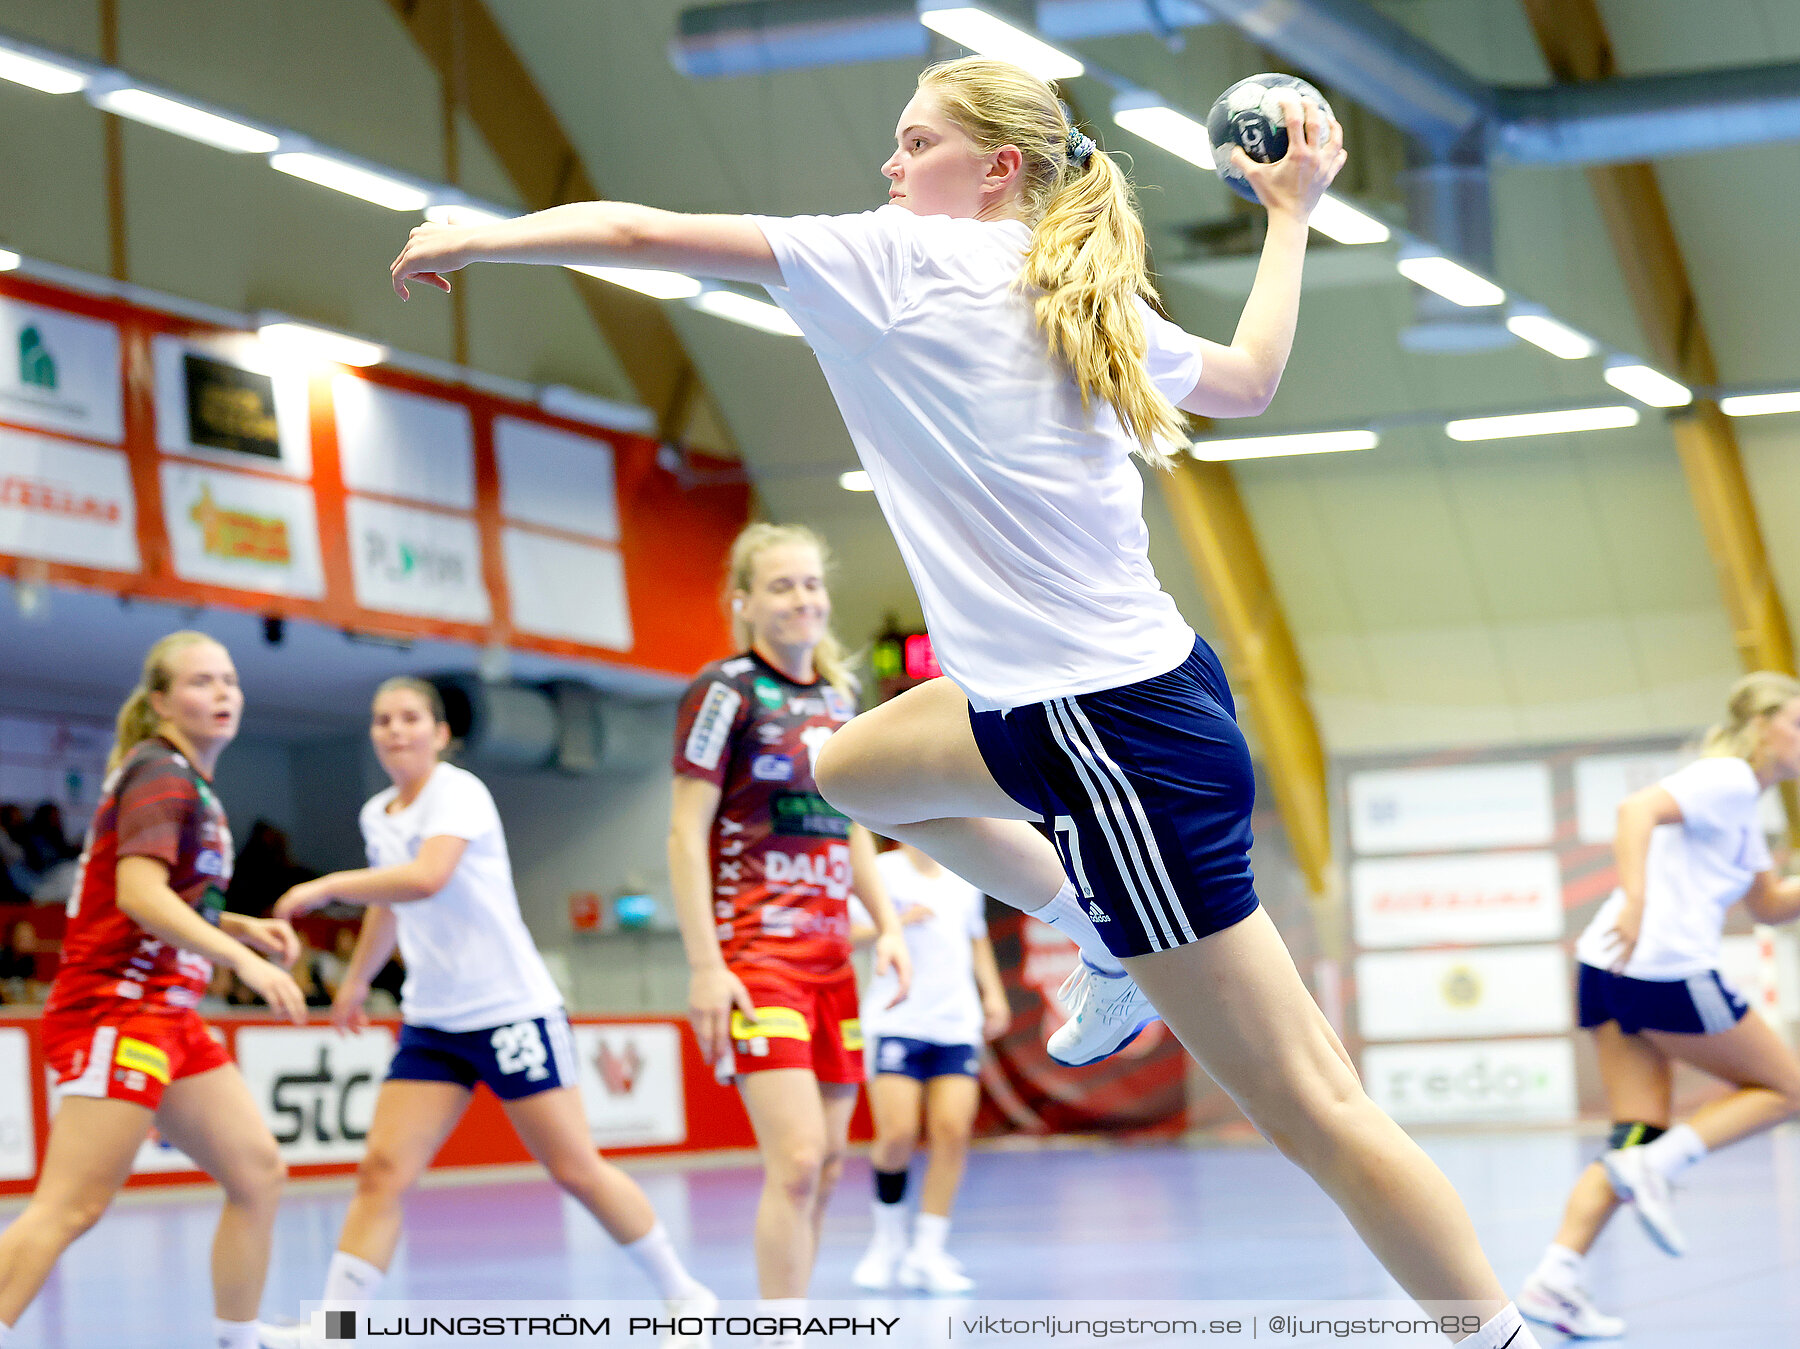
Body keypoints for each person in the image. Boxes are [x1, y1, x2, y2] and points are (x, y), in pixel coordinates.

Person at [387, 56, 1538, 1347]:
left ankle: (1493, 1331)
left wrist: (479, 236)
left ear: (996, 167)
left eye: (913, 139)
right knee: (852, 766)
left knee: (1314, 1108)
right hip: (1072, 707)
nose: (888, 166)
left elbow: (642, 232)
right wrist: (1289, 214)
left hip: (1111, 745)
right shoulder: (1075, 286)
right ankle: (1089, 924)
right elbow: (1253, 378)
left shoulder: (899, 260)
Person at [272, 677, 714, 1331]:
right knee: (382, 1171)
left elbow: (425, 878)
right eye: (382, 719)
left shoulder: (460, 793)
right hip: (433, 1022)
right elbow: (389, 905)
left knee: (574, 1169)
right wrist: (357, 980)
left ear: (441, 733)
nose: (394, 729)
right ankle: (335, 1329)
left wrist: (327, 886)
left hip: (512, 1012)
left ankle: (685, 1294)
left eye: (410, 717)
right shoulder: (376, 814)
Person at [0, 631, 308, 1349]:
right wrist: (245, 959)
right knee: (71, 1205)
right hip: (117, 1006)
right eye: (203, 681)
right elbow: (139, 895)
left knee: (258, 1171)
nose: (224, 693)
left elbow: (156, 893)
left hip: (169, 1013)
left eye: (230, 680)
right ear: (162, 699)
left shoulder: (185, 781)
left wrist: (241, 924)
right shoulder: (160, 774)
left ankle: (241, 1336)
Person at [665, 523, 910, 1336]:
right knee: (798, 1158)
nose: (803, 597)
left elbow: (856, 827)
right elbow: (683, 831)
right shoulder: (723, 692)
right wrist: (706, 963)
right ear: (743, 603)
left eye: (811, 582)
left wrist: (890, 926)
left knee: (831, 1166)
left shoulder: (840, 703)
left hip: (834, 961)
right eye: (781, 585)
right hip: (757, 957)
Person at [1516, 672, 1800, 1339]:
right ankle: (1661, 1166)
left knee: (1633, 1132)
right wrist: (1638, 898)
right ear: (1763, 725)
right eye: (1799, 720)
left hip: (1607, 969)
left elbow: (1768, 904)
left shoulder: (1747, 805)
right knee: (1788, 1089)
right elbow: (1636, 809)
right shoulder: (1727, 777)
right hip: (1664, 965)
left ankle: (1555, 1275)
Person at [848, 841, 1007, 1294]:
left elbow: (976, 941)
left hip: (956, 1022)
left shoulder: (964, 869)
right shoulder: (879, 871)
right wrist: (894, 922)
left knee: (952, 1131)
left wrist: (992, 994)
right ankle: (887, 1241)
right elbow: (843, 933)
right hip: (897, 1018)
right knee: (896, 1134)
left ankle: (928, 1251)